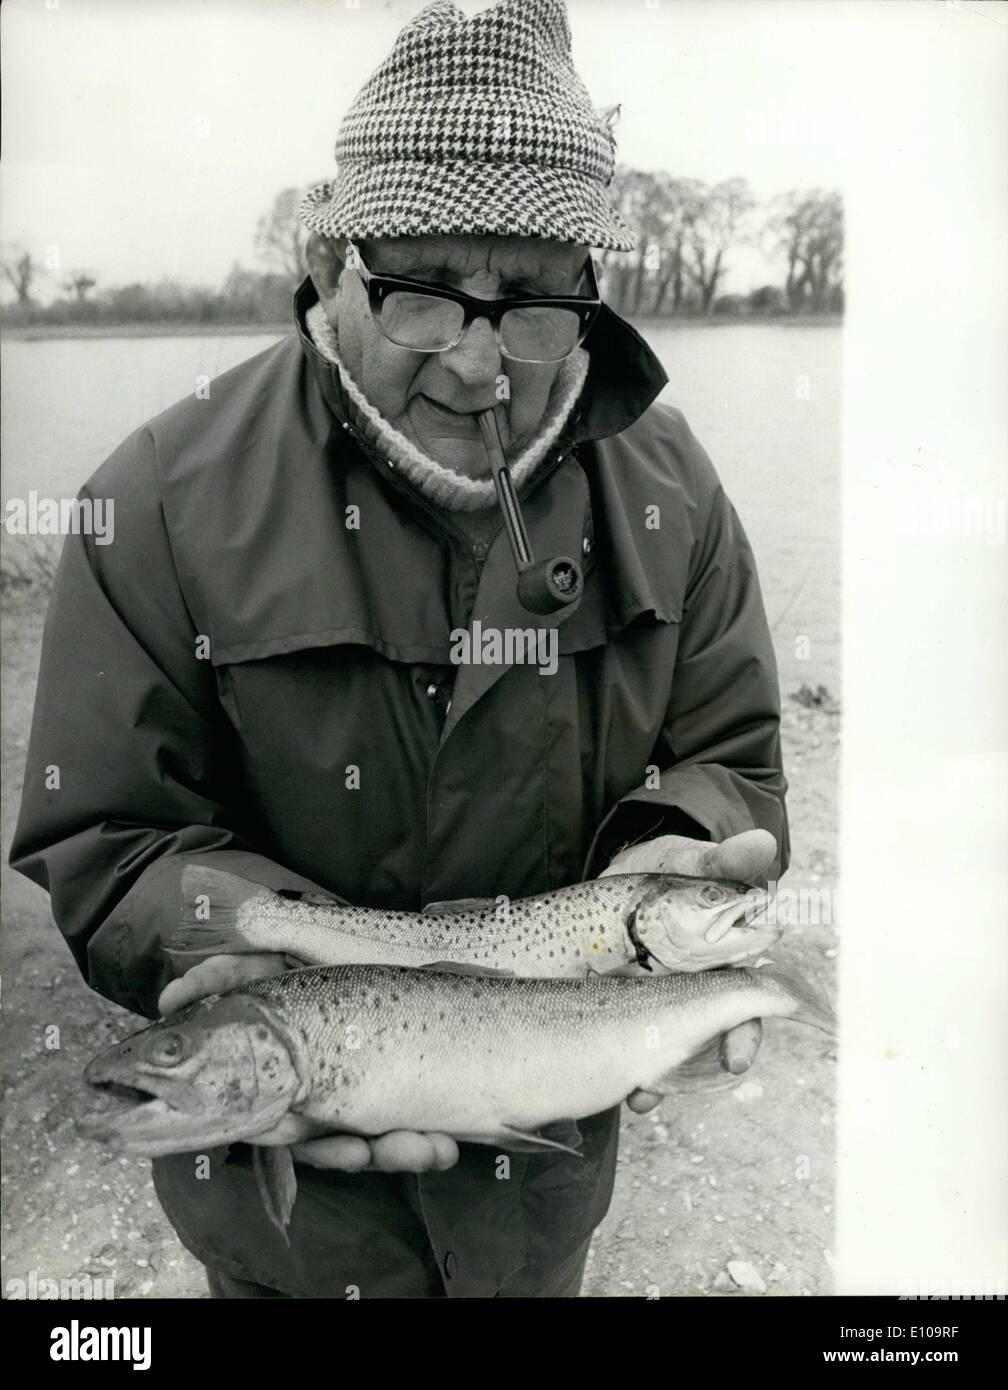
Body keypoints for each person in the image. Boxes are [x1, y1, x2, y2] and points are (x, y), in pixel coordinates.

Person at [10, 0, 788, 1298]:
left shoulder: (677, 492)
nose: (485, 365)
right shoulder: (147, 499)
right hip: (281, 1221)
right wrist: (243, 956)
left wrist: (677, 869)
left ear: (590, 302)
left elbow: (734, 758)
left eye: (538, 308)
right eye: (425, 297)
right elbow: (107, 838)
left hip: (545, 1187)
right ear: (334, 264)